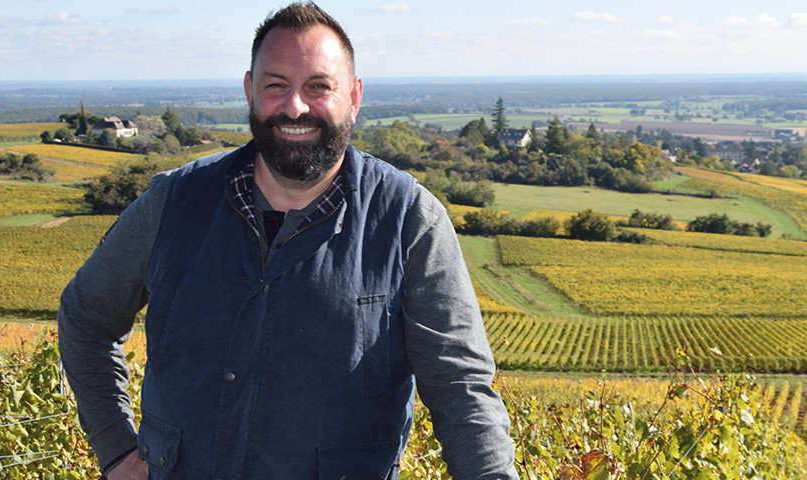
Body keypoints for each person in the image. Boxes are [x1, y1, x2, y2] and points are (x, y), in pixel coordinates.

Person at [57, 3, 518, 479]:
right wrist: (115, 447)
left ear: (354, 97)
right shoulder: (171, 203)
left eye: (318, 86)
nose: (295, 106)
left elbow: (460, 388)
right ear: (249, 92)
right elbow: (85, 317)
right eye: (276, 85)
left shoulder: (408, 219)